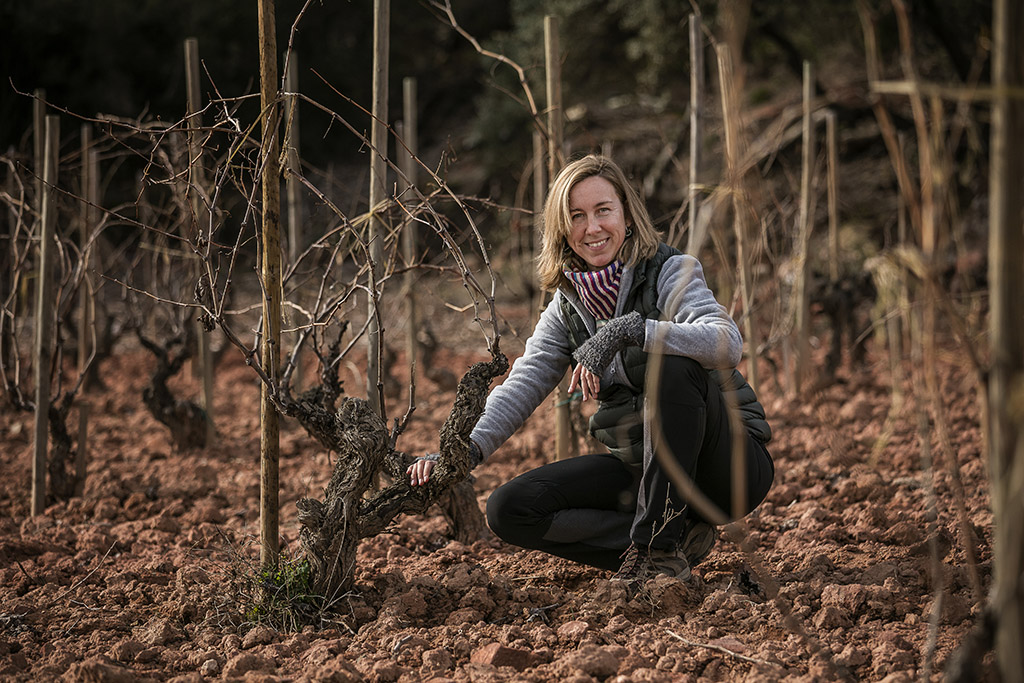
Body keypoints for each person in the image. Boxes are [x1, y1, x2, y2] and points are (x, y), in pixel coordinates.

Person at [407, 154, 774, 584]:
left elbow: (726, 343)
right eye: (576, 216)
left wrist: (634, 329)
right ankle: (676, 541)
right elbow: (523, 383)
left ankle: (657, 549)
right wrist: (460, 451)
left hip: (725, 468)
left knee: (672, 368)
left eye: (603, 210)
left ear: (627, 216)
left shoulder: (671, 272)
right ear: (563, 230)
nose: (592, 227)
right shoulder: (566, 309)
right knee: (509, 508)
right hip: (643, 472)